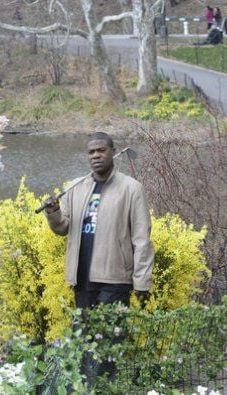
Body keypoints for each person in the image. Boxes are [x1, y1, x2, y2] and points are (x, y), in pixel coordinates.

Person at [43, 132, 154, 380]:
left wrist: (142, 280)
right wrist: (53, 212)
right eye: (91, 152)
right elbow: (63, 228)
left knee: (109, 346)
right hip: (82, 279)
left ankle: (105, 387)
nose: (95, 156)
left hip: (115, 280)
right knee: (84, 343)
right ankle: (85, 386)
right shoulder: (77, 187)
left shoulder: (131, 188)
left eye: (101, 150)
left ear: (112, 152)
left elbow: (142, 238)